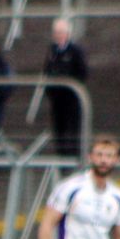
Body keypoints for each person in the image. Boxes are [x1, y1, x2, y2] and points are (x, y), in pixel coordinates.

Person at [43, 17, 88, 158]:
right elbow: (47, 70)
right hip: (57, 97)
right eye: (56, 32)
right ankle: (61, 155)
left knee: (73, 127)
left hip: (71, 97)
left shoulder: (75, 51)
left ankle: (75, 155)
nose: (59, 35)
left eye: (62, 32)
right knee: (59, 127)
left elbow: (83, 72)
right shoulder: (52, 51)